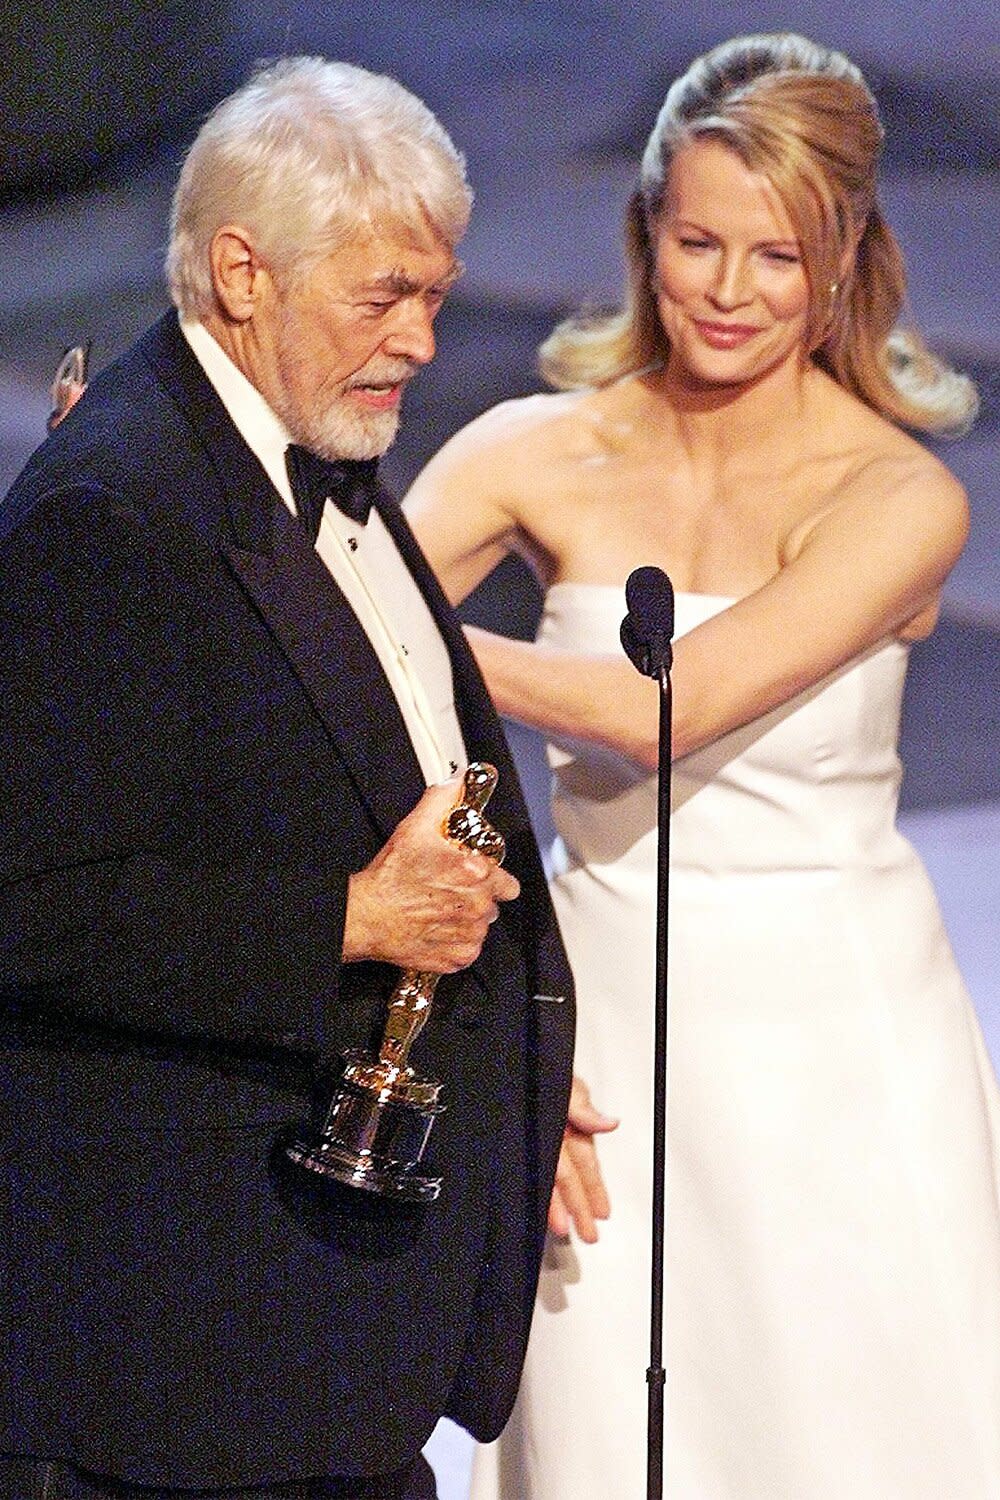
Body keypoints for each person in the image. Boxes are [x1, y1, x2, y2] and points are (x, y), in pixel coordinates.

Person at [404, 31, 1000, 1500]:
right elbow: (326, 674)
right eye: (695, 243)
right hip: (605, 1021)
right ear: (647, 233)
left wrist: (398, 637)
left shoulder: (897, 496)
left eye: (777, 257)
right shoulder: (527, 451)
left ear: (846, 260)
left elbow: (665, 710)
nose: (728, 293)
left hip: (841, 1045)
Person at [0, 57, 577, 1500]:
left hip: (309, 1347)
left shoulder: (304, 460)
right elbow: (30, 907)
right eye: (385, 296)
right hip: (190, 1361)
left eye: (435, 298)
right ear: (244, 274)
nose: (424, 340)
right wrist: (348, 921)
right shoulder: (109, 509)